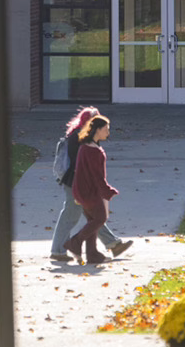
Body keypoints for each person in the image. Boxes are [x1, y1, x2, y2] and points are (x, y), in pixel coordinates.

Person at [49, 107, 130, 263]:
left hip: (76, 183)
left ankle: (111, 244)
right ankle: (59, 250)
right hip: (75, 184)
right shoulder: (80, 138)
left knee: (94, 217)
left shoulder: (80, 135)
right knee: (73, 217)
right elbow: (86, 166)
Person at [66, 113, 120, 265]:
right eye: (106, 129)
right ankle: (75, 242)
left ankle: (92, 254)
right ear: (97, 130)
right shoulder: (94, 151)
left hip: (82, 191)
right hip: (90, 192)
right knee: (100, 219)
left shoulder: (85, 146)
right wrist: (108, 191)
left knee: (92, 221)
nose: (108, 133)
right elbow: (97, 176)